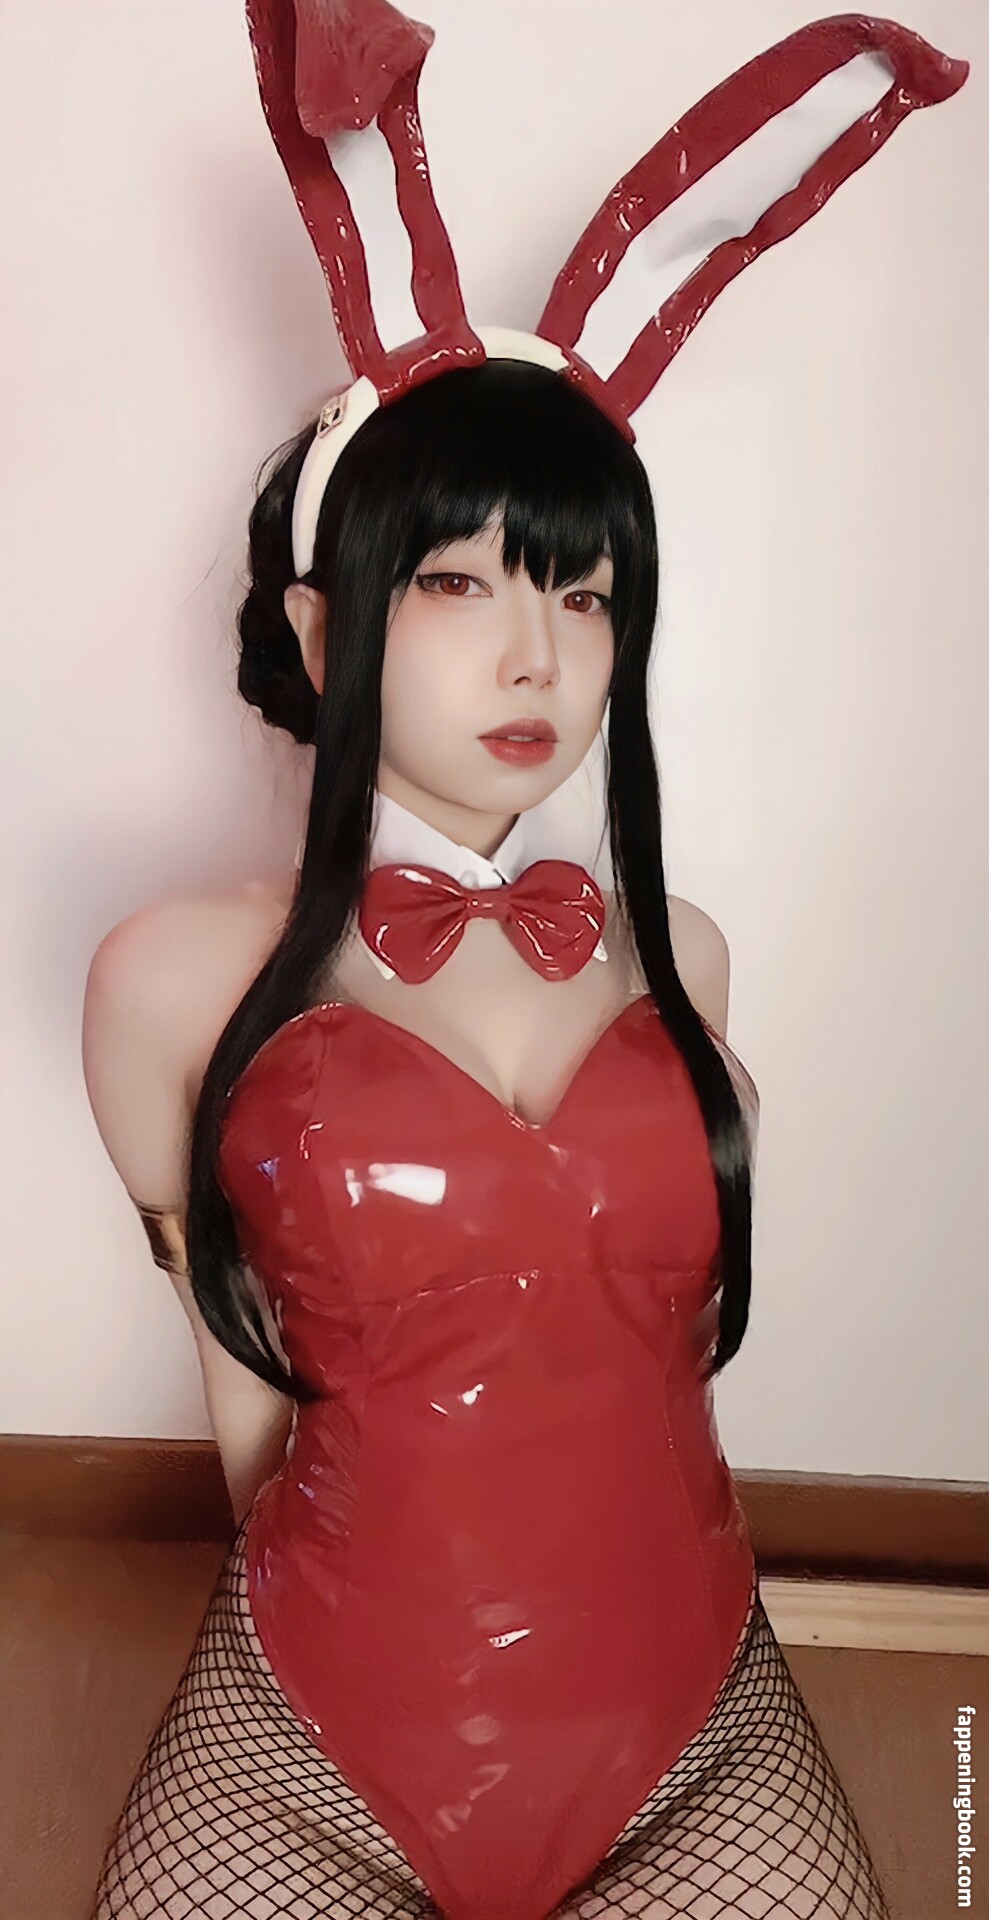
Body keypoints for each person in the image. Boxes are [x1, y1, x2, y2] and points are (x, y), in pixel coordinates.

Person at [82, 6, 967, 1916]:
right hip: (320, 1732)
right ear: (322, 631)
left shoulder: (685, 957)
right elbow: (239, 1375)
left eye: (582, 591)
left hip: (686, 1715)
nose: (535, 655)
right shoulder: (167, 976)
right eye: (456, 582)